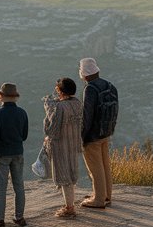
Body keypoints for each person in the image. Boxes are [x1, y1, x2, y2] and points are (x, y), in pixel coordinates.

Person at [79, 57, 119, 209]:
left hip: (93, 136)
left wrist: (82, 137)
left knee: (95, 168)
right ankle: (106, 195)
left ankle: (98, 200)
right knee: (104, 165)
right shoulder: (110, 85)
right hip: (106, 133)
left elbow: (87, 116)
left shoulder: (90, 89)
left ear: (85, 75)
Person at [0, 82, 28, 227]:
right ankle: (19, 217)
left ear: (1, 96)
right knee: (19, 186)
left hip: (2, 153)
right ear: (15, 96)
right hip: (18, 151)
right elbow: (24, 135)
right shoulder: (22, 112)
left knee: (1, 187)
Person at [43, 77, 84, 218]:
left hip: (61, 145)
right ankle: (70, 204)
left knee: (64, 175)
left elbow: (52, 129)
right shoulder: (78, 103)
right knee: (71, 174)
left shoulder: (60, 107)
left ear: (61, 91)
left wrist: (48, 108)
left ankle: (69, 207)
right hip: (73, 142)